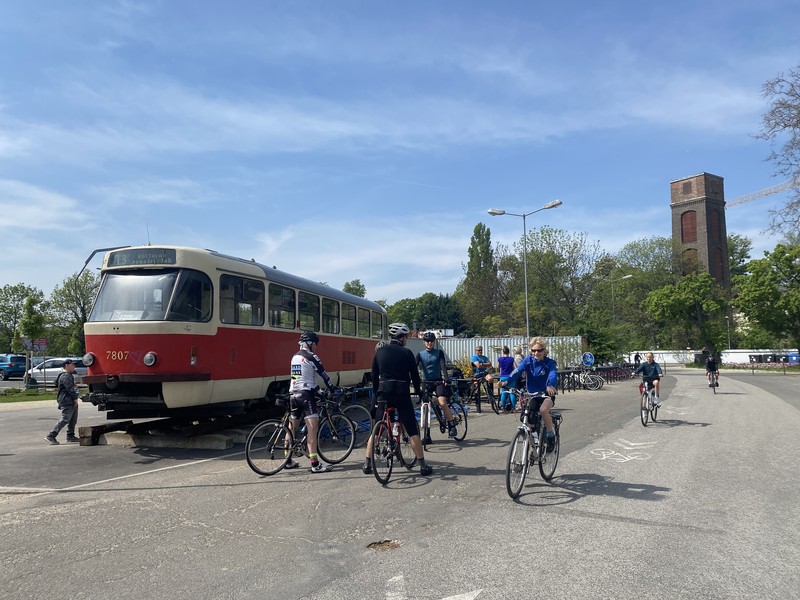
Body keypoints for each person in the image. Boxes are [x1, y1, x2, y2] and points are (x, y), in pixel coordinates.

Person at [362, 322, 432, 476]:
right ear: (402, 337)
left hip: (383, 393)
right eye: (406, 336)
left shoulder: (380, 352)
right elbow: (415, 376)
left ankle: (367, 463)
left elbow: (374, 375)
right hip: (401, 393)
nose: (407, 339)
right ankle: (423, 465)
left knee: (376, 431)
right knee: (412, 430)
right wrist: (419, 392)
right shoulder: (407, 353)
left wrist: (377, 393)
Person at [288, 331, 337, 473]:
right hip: (305, 396)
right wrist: (333, 389)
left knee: (292, 427)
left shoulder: (295, 357)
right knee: (312, 428)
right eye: (316, 344)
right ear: (310, 343)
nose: (317, 347)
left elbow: (302, 378)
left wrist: (318, 391)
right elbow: (324, 375)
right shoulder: (312, 357)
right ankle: (315, 464)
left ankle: (288, 460)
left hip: (293, 394)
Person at [503, 337, 559, 451]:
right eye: (533, 350)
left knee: (543, 410)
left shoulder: (549, 363)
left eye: (539, 350)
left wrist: (550, 385)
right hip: (532, 395)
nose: (536, 353)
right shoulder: (528, 361)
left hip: (546, 394)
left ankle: (550, 434)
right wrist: (506, 381)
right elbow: (517, 371)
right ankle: (535, 442)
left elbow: (553, 375)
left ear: (544, 351)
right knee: (528, 418)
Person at [415, 331, 458, 440]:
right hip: (426, 382)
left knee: (442, 402)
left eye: (431, 341)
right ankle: (427, 435)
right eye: (427, 341)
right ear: (424, 342)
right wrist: (413, 379)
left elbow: (443, 366)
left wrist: (446, 378)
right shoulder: (420, 354)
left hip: (438, 381)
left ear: (434, 342)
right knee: (426, 408)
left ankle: (451, 424)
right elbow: (414, 368)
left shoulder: (439, 353)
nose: (429, 343)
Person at [45, 359, 80, 444]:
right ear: (66, 366)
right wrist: (75, 398)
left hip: (70, 400)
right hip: (66, 400)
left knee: (73, 419)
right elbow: (70, 389)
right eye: (72, 365)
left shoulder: (68, 375)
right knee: (65, 419)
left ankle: (70, 435)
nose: (74, 366)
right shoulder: (65, 376)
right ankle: (51, 435)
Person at [470, 345, 493, 413]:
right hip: (477, 374)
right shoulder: (474, 357)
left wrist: (482, 364)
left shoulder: (484, 357)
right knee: (477, 390)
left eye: (481, 350)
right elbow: (478, 366)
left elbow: (490, 364)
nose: (480, 351)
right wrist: (485, 364)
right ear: (476, 351)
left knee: (491, 378)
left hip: (484, 373)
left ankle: (490, 394)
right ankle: (477, 405)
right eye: (478, 350)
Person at [497, 345, 517, 412]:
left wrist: (499, 372)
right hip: (510, 377)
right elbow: (515, 367)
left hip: (503, 376)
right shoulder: (511, 359)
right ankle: (514, 408)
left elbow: (498, 367)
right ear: (509, 352)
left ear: (503, 352)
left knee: (503, 393)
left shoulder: (500, 359)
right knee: (512, 392)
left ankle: (503, 408)